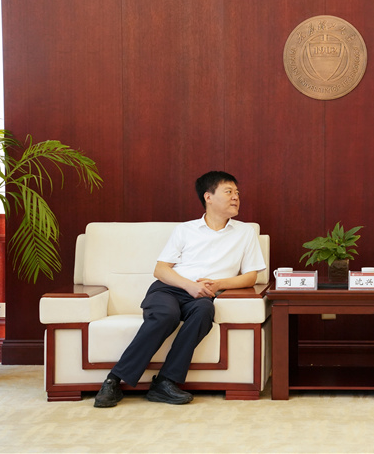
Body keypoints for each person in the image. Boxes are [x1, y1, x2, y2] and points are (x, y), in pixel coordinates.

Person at [94, 171, 266, 408]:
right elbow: (161, 270)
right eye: (229, 192)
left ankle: (165, 382)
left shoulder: (245, 232)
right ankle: (114, 380)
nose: (236, 197)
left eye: (237, 192)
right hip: (170, 289)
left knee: (204, 312)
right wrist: (190, 285)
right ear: (208, 197)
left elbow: (250, 276)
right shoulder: (186, 230)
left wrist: (218, 284)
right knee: (166, 315)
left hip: (204, 295)